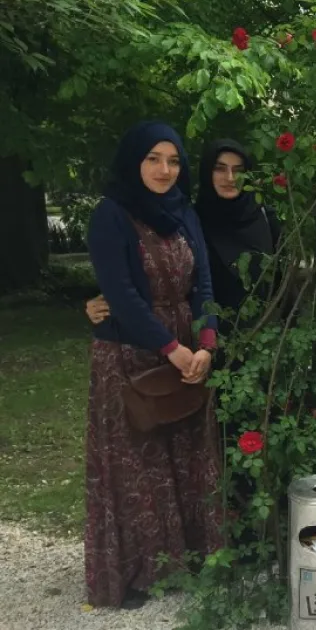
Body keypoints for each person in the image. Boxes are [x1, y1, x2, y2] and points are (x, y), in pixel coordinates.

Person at [84, 121, 224, 608]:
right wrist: (172, 348)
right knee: (137, 465)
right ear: (133, 161)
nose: (165, 170)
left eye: (173, 160)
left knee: (186, 453)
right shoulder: (111, 215)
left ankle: (186, 559)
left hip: (188, 348)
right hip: (130, 350)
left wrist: (206, 343)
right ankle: (137, 572)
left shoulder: (183, 212)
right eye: (153, 159)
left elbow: (204, 284)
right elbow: (121, 295)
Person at [85, 138, 281, 327]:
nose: (230, 178)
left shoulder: (265, 218)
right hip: (203, 342)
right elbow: (157, 276)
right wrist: (105, 301)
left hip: (265, 342)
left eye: (238, 171)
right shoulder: (188, 222)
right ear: (206, 173)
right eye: (219, 169)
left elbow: (284, 279)